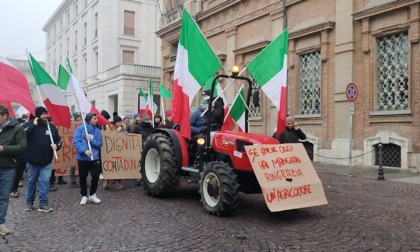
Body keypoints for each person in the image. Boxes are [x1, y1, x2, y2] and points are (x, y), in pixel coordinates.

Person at [24, 106, 62, 212]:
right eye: (43, 114)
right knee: (31, 182)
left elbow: (59, 141)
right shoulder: (29, 125)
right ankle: (29, 202)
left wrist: (57, 146)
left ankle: (43, 203)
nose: (45, 116)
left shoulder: (51, 127)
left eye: (46, 113)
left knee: (44, 182)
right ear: (37, 115)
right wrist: (33, 125)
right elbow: (23, 135)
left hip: (46, 162)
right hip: (32, 161)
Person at [0, 105, 27, 235]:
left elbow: (22, 148)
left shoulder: (17, 129)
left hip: (7, 168)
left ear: (5, 116)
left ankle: (0, 223)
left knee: (3, 197)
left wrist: (3, 149)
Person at [73, 113, 103, 205]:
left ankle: (92, 194)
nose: (97, 120)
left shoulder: (97, 131)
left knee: (95, 176)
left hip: (94, 157)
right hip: (83, 158)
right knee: (83, 177)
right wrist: (84, 150)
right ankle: (84, 195)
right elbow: (76, 142)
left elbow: (100, 143)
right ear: (90, 119)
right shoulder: (80, 129)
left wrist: (92, 140)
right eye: (95, 118)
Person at [103, 116, 125, 190]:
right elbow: (110, 137)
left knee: (119, 166)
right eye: (119, 122)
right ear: (115, 123)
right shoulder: (109, 128)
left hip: (120, 150)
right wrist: (117, 131)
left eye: (121, 122)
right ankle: (106, 181)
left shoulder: (123, 128)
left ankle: (118, 182)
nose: (120, 123)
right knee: (110, 166)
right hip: (110, 150)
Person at [9, 118, 26, 198]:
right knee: (15, 173)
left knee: (18, 173)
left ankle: (13, 188)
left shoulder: (19, 130)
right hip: (15, 155)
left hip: (21, 154)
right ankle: (12, 189)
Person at [69, 112, 83, 188]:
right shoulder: (71, 125)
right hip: (73, 148)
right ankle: (72, 181)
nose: (80, 118)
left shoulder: (83, 125)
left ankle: (82, 181)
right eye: (79, 116)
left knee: (83, 166)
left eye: (81, 116)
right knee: (72, 166)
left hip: (82, 147)